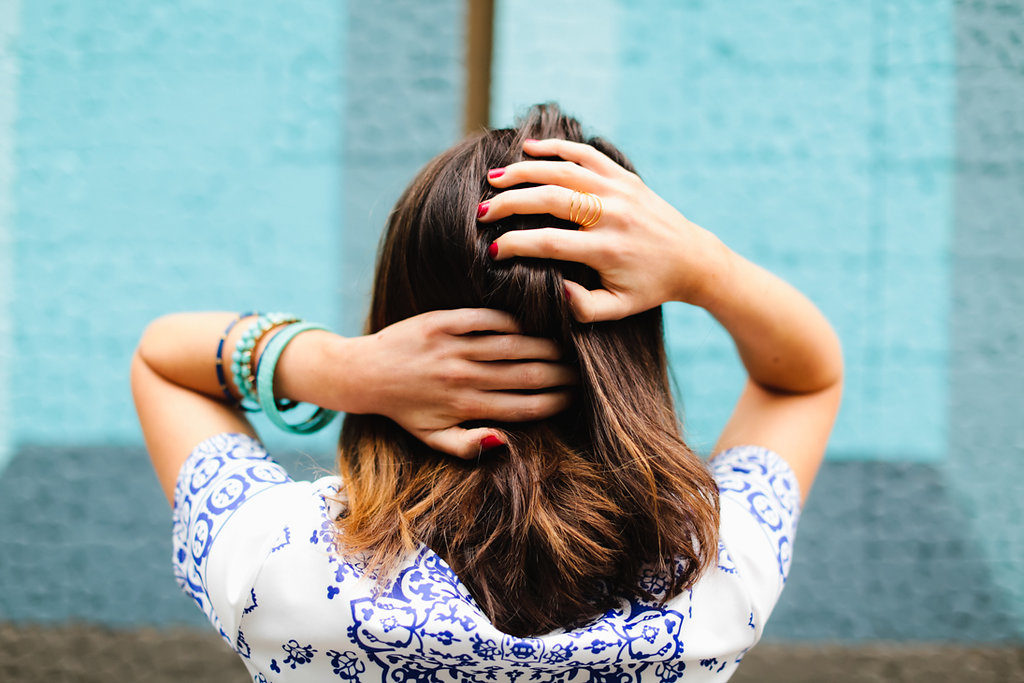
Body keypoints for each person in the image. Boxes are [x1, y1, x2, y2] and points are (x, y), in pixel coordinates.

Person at [132, 103, 842, 681]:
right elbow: (805, 379)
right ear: (626, 357)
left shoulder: (284, 566)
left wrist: (340, 369)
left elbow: (165, 360)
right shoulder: (710, 580)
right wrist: (705, 266)